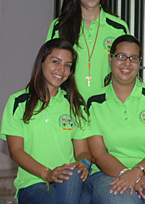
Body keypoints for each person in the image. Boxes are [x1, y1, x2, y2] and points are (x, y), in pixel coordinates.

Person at [83, 35, 145, 203]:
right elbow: (98, 153)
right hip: (107, 174)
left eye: (133, 58)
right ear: (110, 59)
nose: (127, 63)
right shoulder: (95, 102)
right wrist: (125, 174)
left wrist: (137, 172)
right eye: (121, 56)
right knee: (123, 199)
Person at [0, 38, 91, 204]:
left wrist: (83, 162)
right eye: (55, 62)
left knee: (75, 179)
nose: (61, 70)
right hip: (33, 183)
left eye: (67, 65)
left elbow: (82, 150)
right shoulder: (19, 102)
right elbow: (16, 151)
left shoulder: (75, 105)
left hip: (69, 182)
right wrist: (47, 173)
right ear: (41, 62)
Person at [46, 0, 129, 101]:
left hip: (105, 108)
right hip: (67, 108)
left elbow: (126, 72)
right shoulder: (59, 26)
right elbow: (48, 69)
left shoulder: (118, 28)